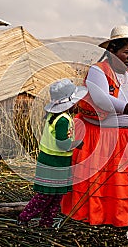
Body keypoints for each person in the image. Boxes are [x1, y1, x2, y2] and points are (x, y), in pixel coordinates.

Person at [61, 25, 128, 227]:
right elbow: (101, 99)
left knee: (120, 183)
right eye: (126, 52)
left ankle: (121, 215)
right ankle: (98, 214)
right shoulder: (99, 70)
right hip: (103, 135)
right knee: (100, 181)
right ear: (112, 51)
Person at [18, 79, 87, 228]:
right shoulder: (62, 120)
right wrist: (77, 144)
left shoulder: (55, 116)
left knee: (55, 196)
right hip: (53, 164)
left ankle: (46, 224)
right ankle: (24, 218)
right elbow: (62, 144)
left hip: (55, 162)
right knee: (46, 195)